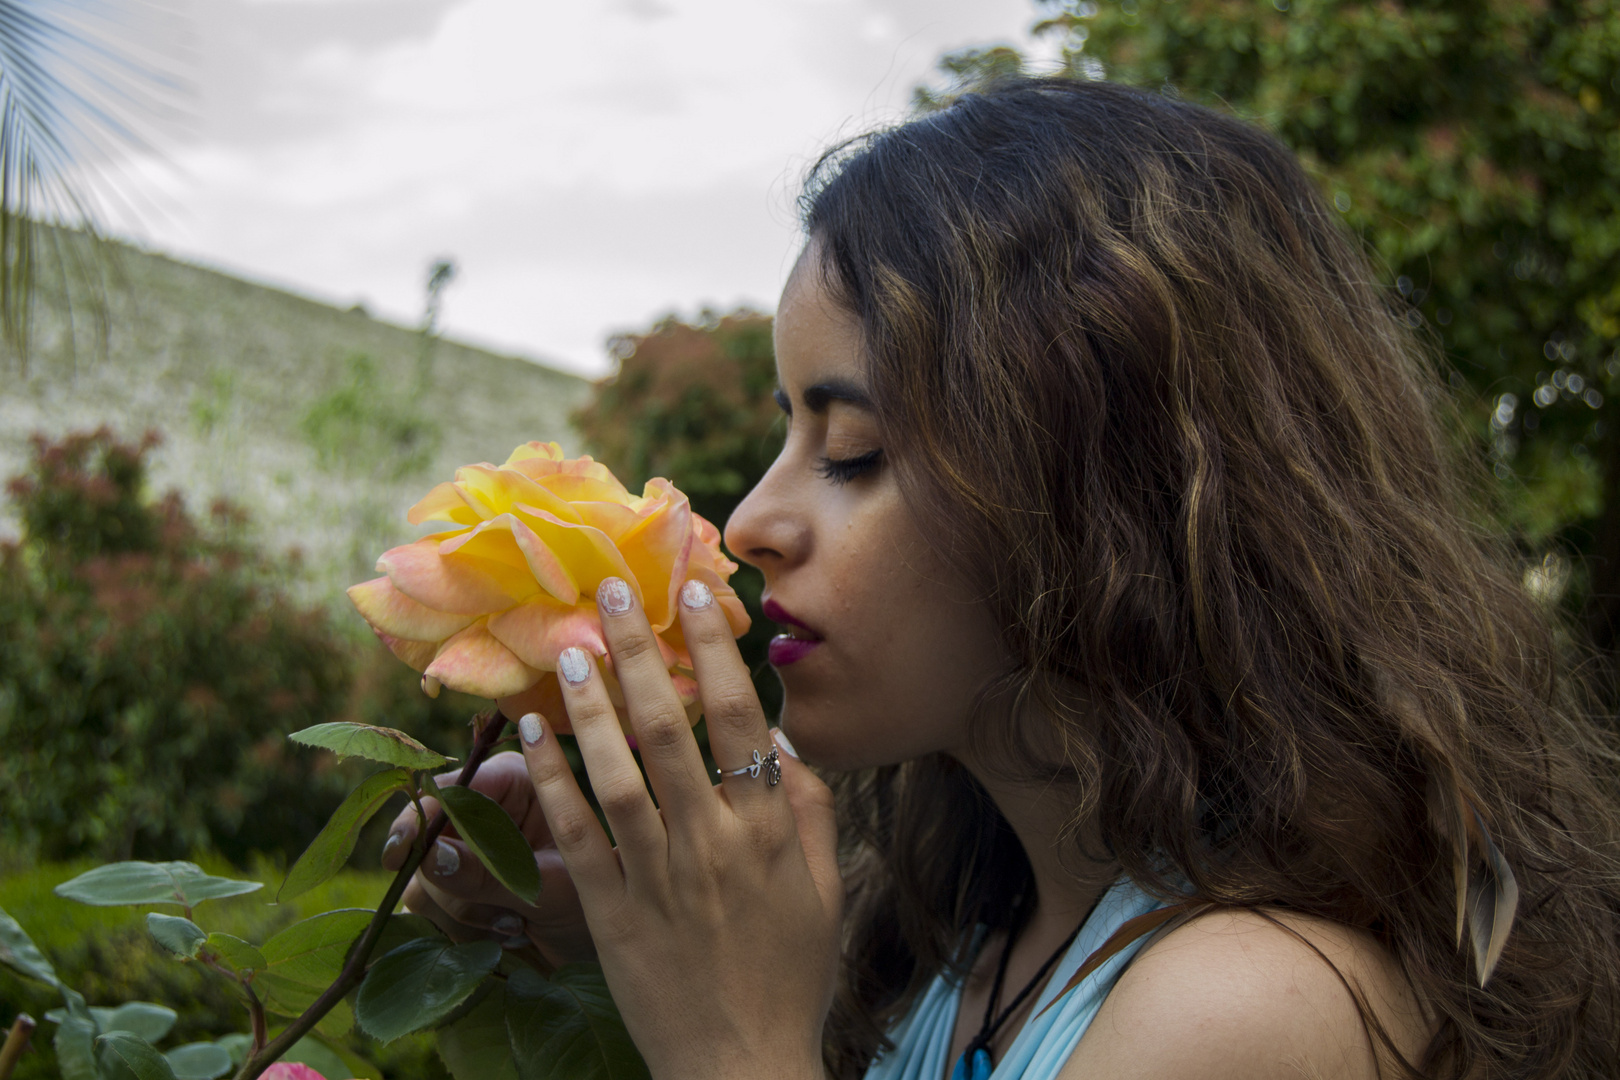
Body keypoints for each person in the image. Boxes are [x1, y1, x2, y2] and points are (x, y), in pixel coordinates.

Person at [379, 77, 1620, 1079]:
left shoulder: (1241, 1008)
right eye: (785, 433)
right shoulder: (987, 924)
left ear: (1101, 499)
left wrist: (732, 1050)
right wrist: (621, 937)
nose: (752, 520)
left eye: (852, 450)